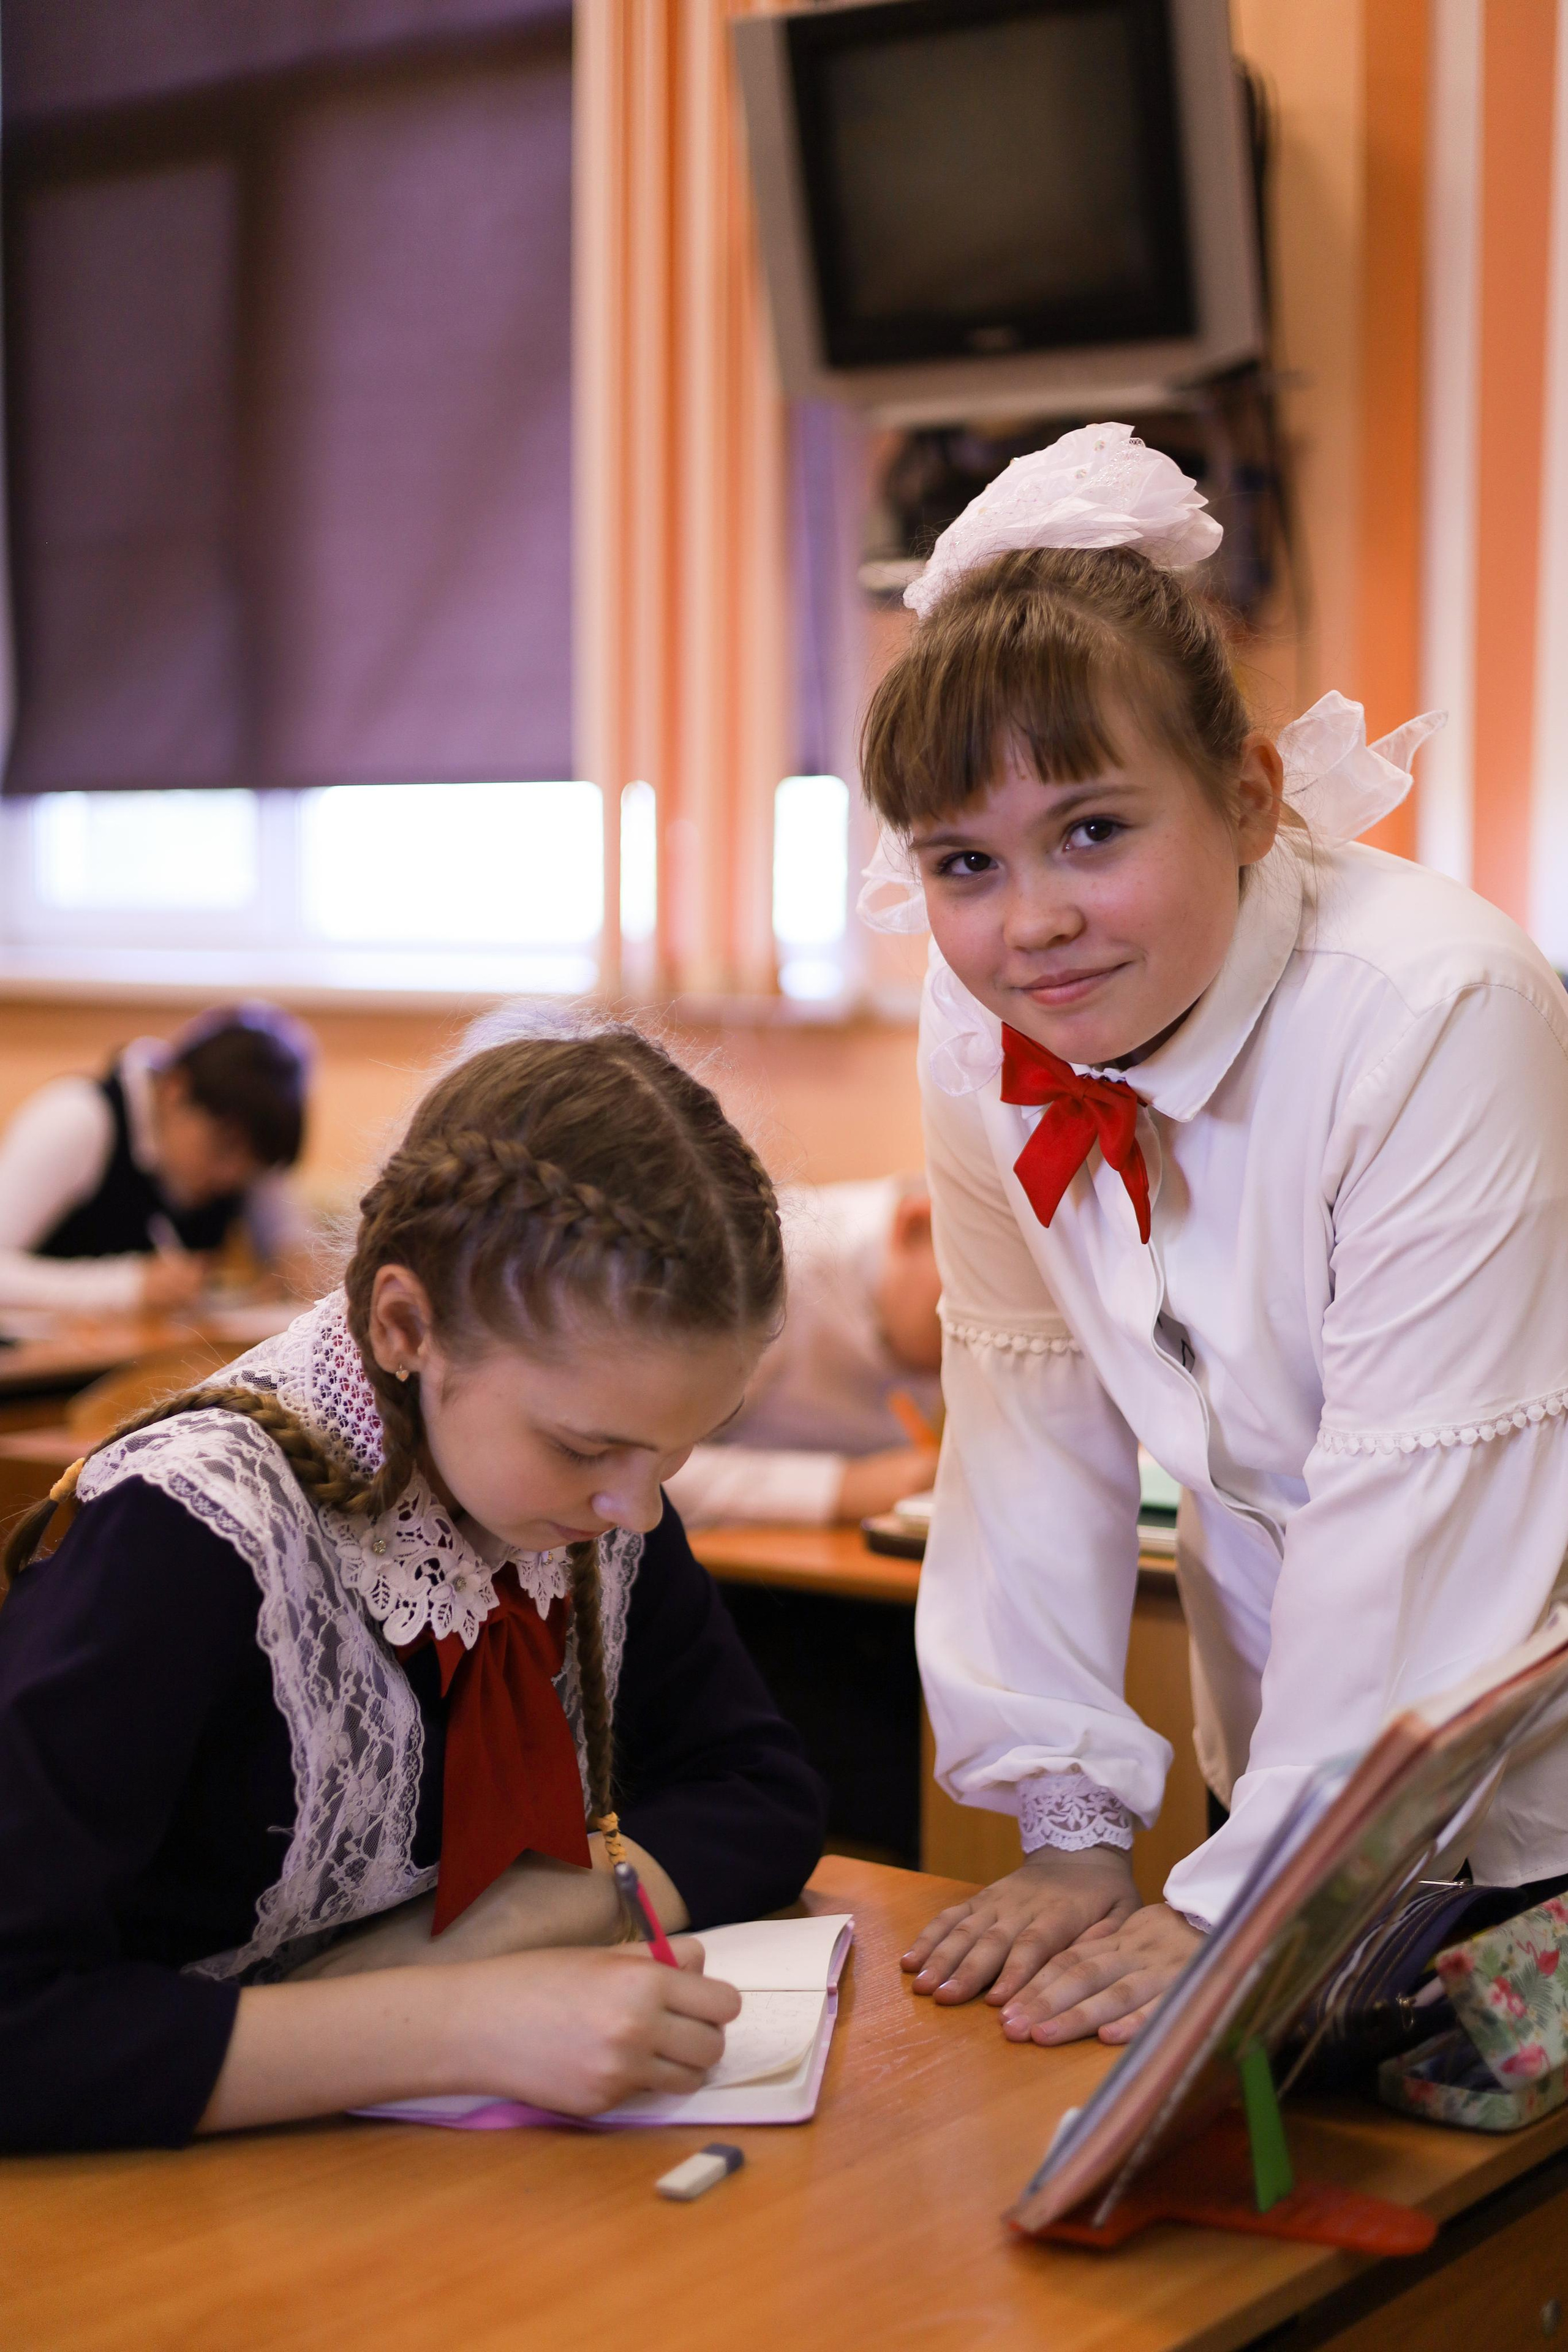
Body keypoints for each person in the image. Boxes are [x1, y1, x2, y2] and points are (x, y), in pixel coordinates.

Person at [857, 423, 1568, 2052]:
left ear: (1248, 798)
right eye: (966, 863)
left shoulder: (1434, 1011)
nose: (1029, 921)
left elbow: (1421, 1508)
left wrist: (1253, 1906)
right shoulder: (983, 1038)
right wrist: (1071, 1830)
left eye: (1095, 832)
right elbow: (1026, 1413)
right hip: (1300, 1812)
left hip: (1524, 1809)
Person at [0, 1021, 824, 2152]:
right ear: (403, 1327)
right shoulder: (189, 1537)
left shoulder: (575, 1494)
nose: (638, 1509)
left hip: (390, 2175)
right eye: (588, 1450)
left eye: (684, 1446)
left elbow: (761, 1789)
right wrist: (449, 2023)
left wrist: (512, 1925)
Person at [664, 1175, 943, 1527]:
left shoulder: (922, 1284)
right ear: (916, 1225)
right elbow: (646, 1468)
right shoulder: (769, 1270)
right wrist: (844, 1488)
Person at [0, 1002, 314, 1314]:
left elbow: (294, 1256)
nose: (229, 1176)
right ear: (175, 1088)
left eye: (249, 1166)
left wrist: (299, 1273)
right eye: (221, 1147)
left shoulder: (249, 1143)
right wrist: (129, 1287)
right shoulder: (78, 1119)